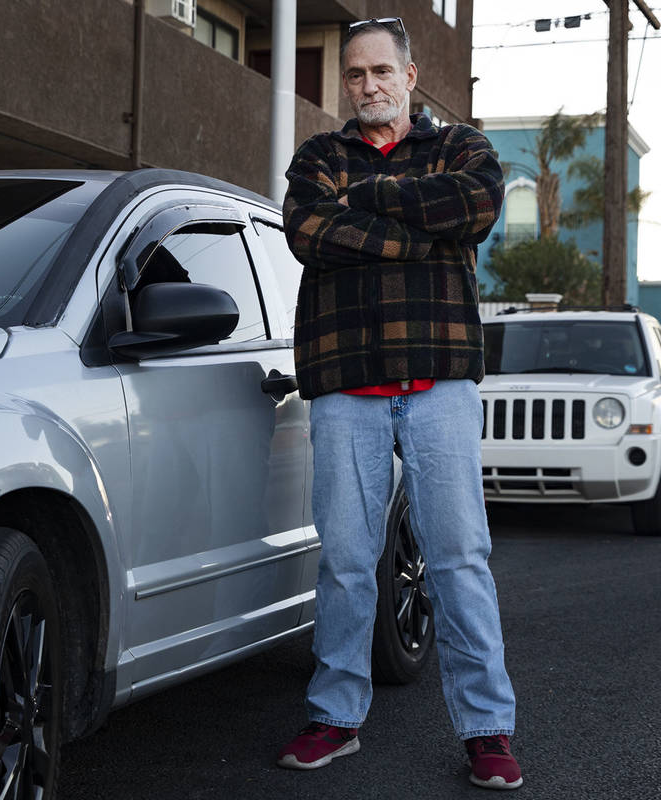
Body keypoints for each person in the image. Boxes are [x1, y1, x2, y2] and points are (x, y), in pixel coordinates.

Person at [276, 17, 521, 791]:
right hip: (347, 382)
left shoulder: (462, 148)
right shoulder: (319, 157)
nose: (368, 85)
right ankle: (335, 718)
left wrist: (374, 199)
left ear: (410, 77)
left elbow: (477, 205)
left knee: (459, 560)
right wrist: (422, 228)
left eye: (382, 71)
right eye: (355, 74)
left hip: (439, 380)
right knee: (347, 562)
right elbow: (308, 228)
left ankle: (487, 729)